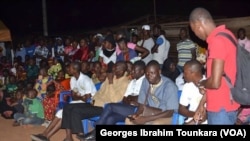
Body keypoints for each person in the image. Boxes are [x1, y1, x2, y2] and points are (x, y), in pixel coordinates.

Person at [189, 7, 240, 124]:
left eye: (194, 31)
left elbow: (215, 83)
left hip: (221, 109)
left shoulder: (217, 42)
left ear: (198, 26)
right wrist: (202, 104)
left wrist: (201, 83)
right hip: (227, 105)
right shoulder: (228, 35)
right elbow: (219, 78)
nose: (196, 35)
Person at [31, 61, 97, 141]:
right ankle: (46, 134)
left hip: (88, 104)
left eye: (70, 68)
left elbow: (87, 99)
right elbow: (73, 96)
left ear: (74, 69)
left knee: (66, 111)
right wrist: (79, 97)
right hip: (78, 102)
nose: (68, 69)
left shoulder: (86, 80)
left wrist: (78, 97)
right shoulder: (73, 79)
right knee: (60, 113)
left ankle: (48, 136)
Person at [80, 60, 146, 141]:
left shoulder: (145, 82)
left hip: (136, 110)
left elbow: (140, 100)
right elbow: (125, 98)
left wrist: (131, 99)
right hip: (125, 107)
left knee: (109, 106)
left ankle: (95, 132)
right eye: (132, 69)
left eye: (134, 70)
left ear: (142, 71)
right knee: (110, 119)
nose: (131, 72)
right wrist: (131, 99)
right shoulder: (132, 82)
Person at [125, 60, 178, 125]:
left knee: (156, 123)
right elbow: (142, 105)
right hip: (150, 112)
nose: (149, 76)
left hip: (166, 115)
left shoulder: (169, 86)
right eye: (147, 74)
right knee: (129, 120)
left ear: (159, 72)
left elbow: (170, 112)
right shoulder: (145, 81)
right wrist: (137, 115)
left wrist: (145, 119)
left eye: (152, 73)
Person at [179, 60, 207, 125]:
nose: (183, 75)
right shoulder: (187, 86)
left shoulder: (208, 84)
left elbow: (207, 114)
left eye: (185, 73)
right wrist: (195, 114)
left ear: (193, 73)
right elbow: (181, 109)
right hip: (191, 120)